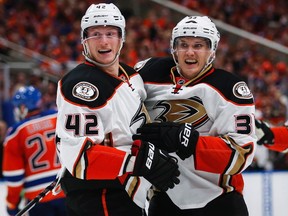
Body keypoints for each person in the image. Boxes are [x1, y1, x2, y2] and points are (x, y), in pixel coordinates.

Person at [55, 3, 179, 216]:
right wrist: (138, 162)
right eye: (95, 34)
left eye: (110, 33)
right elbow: (79, 157)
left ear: (121, 38)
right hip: (99, 195)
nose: (104, 41)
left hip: (128, 193)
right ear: (84, 40)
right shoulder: (81, 86)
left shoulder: (131, 77)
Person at [133, 16, 257, 216]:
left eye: (198, 45)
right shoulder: (148, 75)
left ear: (211, 50)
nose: (190, 52)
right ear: (174, 48)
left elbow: (242, 154)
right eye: (183, 45)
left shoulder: (229, 88)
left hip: (220, 200)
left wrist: (190, 141)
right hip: (164, 198)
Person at [2, 86, 67, 216]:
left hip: (38, 197)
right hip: (67, 190)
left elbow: (14, 176)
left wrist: (12, 203)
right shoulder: (60, 117)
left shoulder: (16, 132)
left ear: (22, 107)